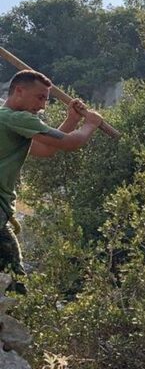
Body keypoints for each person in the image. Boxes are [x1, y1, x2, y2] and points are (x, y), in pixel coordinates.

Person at [0, 70, 103, 285]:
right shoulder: (17, 118)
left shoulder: (8, 121)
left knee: (11, 277)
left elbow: (46, 150)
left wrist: (71, 119)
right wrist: (90, 124)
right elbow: (69, 143)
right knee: (14, 280)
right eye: (39, 97)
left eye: (46, 99)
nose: (43, 106)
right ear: (19, 91)